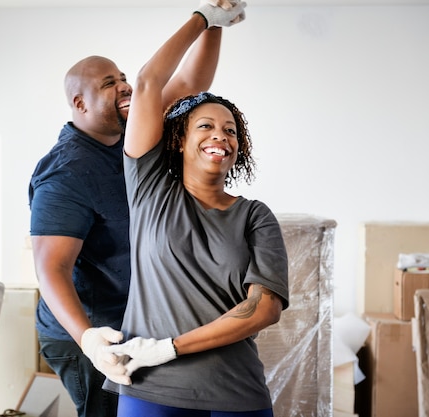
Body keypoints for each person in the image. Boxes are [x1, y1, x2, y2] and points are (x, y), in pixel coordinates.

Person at [27, 3, 246, 416]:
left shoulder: (132, 136)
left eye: (124, 78)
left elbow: (186, 84)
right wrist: (89, 339)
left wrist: (218, 22)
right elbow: (49, 267)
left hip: (138, 322)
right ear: (79, 102)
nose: (125, 87)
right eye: (110, 83)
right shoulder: (67, 172)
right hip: (89, 328)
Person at [102, 5, 289, 417]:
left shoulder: (256, 216)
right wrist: (207, 16)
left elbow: (264, 308)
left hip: (235, 394)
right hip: (151, 392)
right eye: (205, 126)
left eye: (230, 130)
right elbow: (150, 81)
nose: (220, 135)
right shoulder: (150, 190)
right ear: (179, 141)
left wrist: (168, 347)